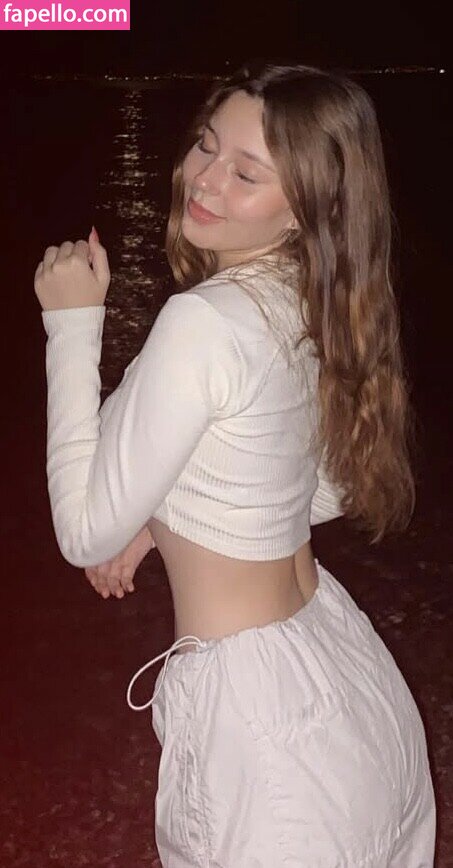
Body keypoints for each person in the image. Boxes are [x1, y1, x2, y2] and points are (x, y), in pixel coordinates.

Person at [35, 61, 436, 866]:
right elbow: (321, 483)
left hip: (258, 722)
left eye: (246, 174)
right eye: (205, 146)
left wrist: (72, 324)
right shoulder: (309, 293)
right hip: (341, 667)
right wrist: (161, 520)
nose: (204, 180)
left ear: (307, 208)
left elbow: (82, 533)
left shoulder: (203, 321)